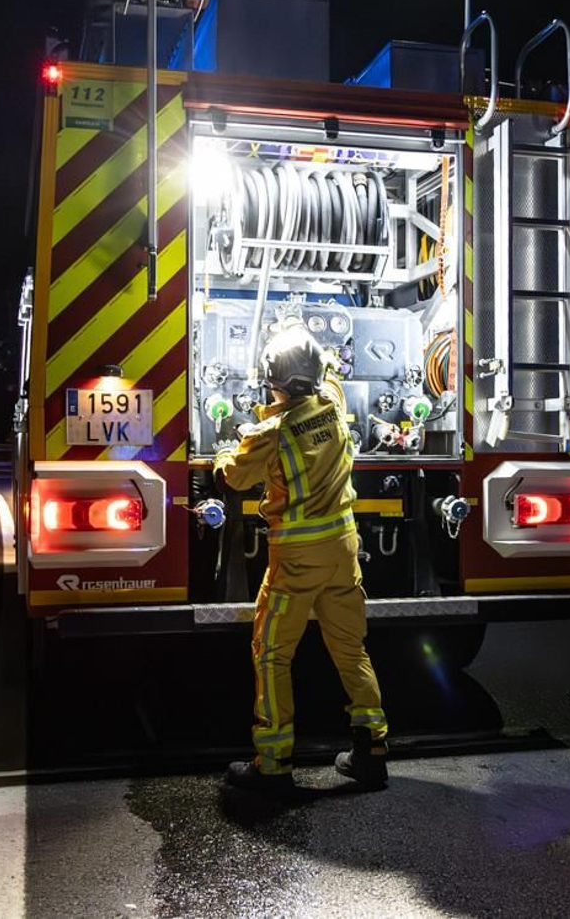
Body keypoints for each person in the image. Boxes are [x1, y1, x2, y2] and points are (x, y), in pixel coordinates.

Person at [215, 325, 389, 791]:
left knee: (272, 655)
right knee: (352, 652)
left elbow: (232, 477)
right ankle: (372, 752)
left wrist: (226, 453)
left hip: (296, 563)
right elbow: (329, 371)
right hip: (343, 552)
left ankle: (272, 766)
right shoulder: (334, 402)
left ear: (273, 379)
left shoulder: (272, 431)